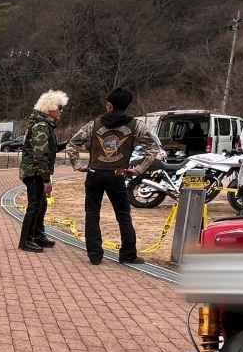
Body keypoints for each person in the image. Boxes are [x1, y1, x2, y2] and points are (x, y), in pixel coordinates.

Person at [65, 87, 161, 265]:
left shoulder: (94, 124)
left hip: (94, 174)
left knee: (92, 214)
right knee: (123, 215)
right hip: (117, 175)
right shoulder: (136, 125)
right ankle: (128, 254)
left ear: (109, 105)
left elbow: (72, 144)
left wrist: (77, 164)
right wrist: (139, 169)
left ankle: (94, 255)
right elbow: (153, 147)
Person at [17, 90, 66, 252]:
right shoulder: (41, 126)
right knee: (34, 205)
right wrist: (46, 180)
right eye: (59, 108)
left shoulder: (45, 125)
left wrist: (67, 143)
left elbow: (49, 149)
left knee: (41, 204)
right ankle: (26, 240)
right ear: (50, 109)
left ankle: (38, 235)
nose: (61, 111)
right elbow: (40, 154)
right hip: (34, 171)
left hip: (37, 170)